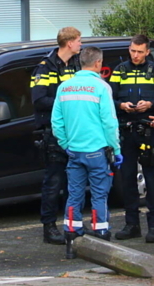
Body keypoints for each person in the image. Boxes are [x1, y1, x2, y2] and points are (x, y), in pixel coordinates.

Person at [51, 46, 122, 251]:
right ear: (98, 63)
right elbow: (109, 122)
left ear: (80, 61)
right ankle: (101, 234)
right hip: (97, 151)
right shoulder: (101, 87)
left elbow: (57, 122)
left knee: (74, 195)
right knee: (99, 194)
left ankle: (71, 237)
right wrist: (116, 150)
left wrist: (66, 144)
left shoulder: (64, 87)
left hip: (74, 151)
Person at [109, 34, 154, 243]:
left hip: (150, 130)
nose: (135, 55)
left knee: (152, 180)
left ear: (147, 52)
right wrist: (121, 106)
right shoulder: (119, 70)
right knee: (128, 180)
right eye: (132, 50)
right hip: (127, 131)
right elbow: (110, 99)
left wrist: (150, 105)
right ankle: (131, 224)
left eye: (140, 52)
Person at [31, 26, 82, 245]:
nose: (81, 44)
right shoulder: (45, 68)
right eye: (79, 41)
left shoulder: (76, 64)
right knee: (53, 182)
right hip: (53, 133)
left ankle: (73, 223)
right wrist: (66, 104)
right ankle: (49, 227)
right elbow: (39, 99)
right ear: (69, 43)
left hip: (75, 131)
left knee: (75, 182)